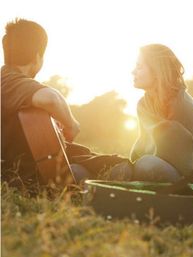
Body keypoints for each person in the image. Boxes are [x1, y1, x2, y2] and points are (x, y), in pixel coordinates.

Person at [1, 18, 132, 189]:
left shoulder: (11, 81)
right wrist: (71, 124)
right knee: (117, 168)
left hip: (31, 167)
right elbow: (50, 98)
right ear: (38, 56)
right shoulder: (9, 79)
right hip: (28, 175)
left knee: (105, 163)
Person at [131, 44, 193, 183]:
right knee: (133, 166)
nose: (133, 71)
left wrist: (138, 165)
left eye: (139, 66)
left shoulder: (182, 105)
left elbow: (183, 163)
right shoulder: (143, 105)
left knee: (147, 165)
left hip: (192, 179)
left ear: (156, 71)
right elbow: (142, 145)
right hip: (165, 167)